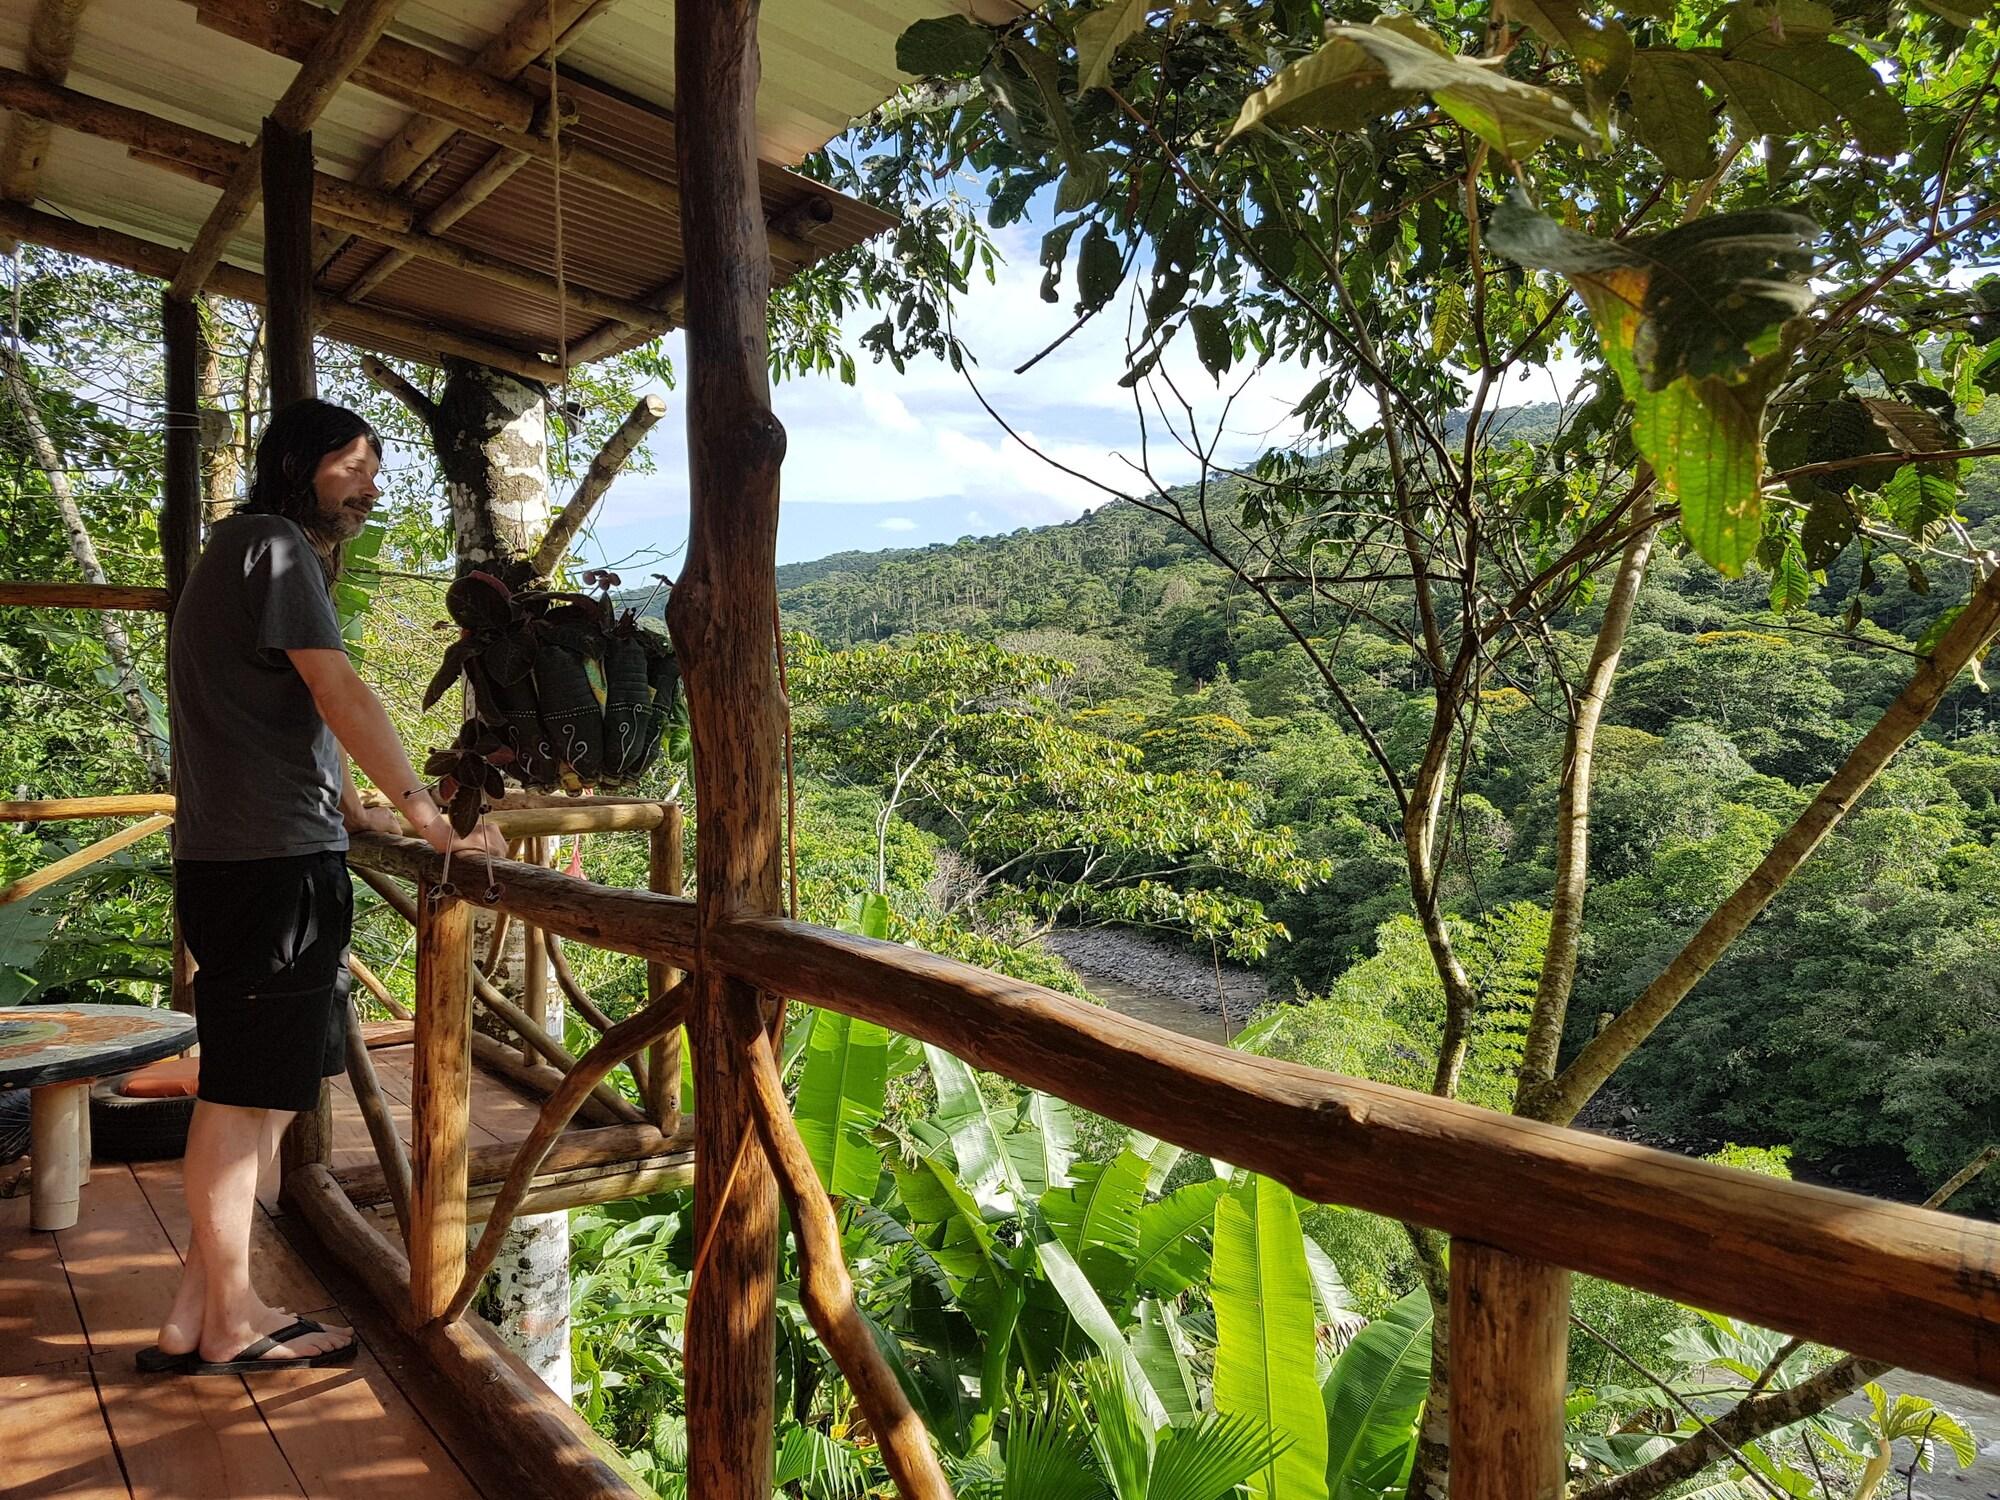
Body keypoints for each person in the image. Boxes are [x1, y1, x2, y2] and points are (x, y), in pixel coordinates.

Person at [143, 399, 504, 1375]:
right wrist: (427, 814)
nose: (370, 486)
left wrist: (353, 811)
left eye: (374, 470)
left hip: (250, 858)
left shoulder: (242, 553)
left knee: (256, 1091)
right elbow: (337, 688)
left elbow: (289, 708)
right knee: (243, 1101)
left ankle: (197, 1314)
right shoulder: (269, 546)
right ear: (301, 464)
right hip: (267, 868)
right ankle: (229, 1324)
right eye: (355, 465)